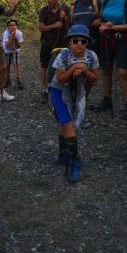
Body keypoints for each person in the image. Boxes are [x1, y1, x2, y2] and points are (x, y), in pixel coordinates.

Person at [49, 24, 99, 183]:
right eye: (75, 40)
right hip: (58, 92)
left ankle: (63, 154)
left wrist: (84, 71)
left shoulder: (91, 56)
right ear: (69, 42)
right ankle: (75, 161)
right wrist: (75, 68)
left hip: (77, 93)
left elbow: (95, 78)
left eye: (83, 41)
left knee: (66, 125)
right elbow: (59, 79)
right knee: (67, 123)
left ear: (87, 43)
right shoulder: (63, 56)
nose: (79, 43)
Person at [38, 0, 70, 104]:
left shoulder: (65, 8)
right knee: (44, 66)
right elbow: (41, 27)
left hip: (63, 44)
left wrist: (65, 17)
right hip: (47, 43)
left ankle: (60, 91)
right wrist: (54, 25)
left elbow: (72, 23)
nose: (49, 1)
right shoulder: (44, 10)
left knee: (62, 67)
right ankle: (44, 90)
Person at [3, 18, 24, 90]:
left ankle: (18, 80)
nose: (12, 27)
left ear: (16, 26)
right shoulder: (6, 33)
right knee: (7, 65)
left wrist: (16, 39)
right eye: (10, 25)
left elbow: (19, 46)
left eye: (14, 25)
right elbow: (7, 45)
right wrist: (11, 37)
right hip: (7, 51)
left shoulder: (19, 33)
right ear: (8, 27)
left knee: (16, 65)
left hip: (16, 50)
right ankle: (7, 79)